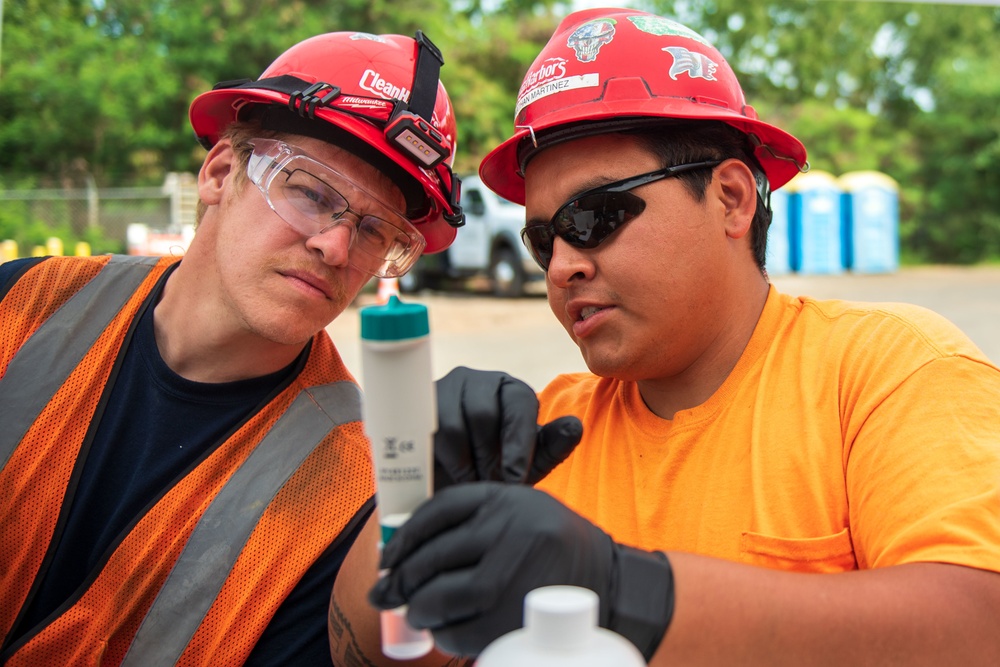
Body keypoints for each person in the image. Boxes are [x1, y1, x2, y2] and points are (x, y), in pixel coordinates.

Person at [347, 8, 1000, 666]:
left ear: (732, 198)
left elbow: (978, 624)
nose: (561, 266)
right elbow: (375, 652)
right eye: (542, 239)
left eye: (595, 215)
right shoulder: (546, 436)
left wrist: (622, 590)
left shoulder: (889, 371)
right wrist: (414, 495)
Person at [0, 28, 473, 665]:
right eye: (311, 193)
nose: (336, 248)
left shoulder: (350, 495)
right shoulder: (22, 304)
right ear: (222, 173)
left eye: (374, 230)